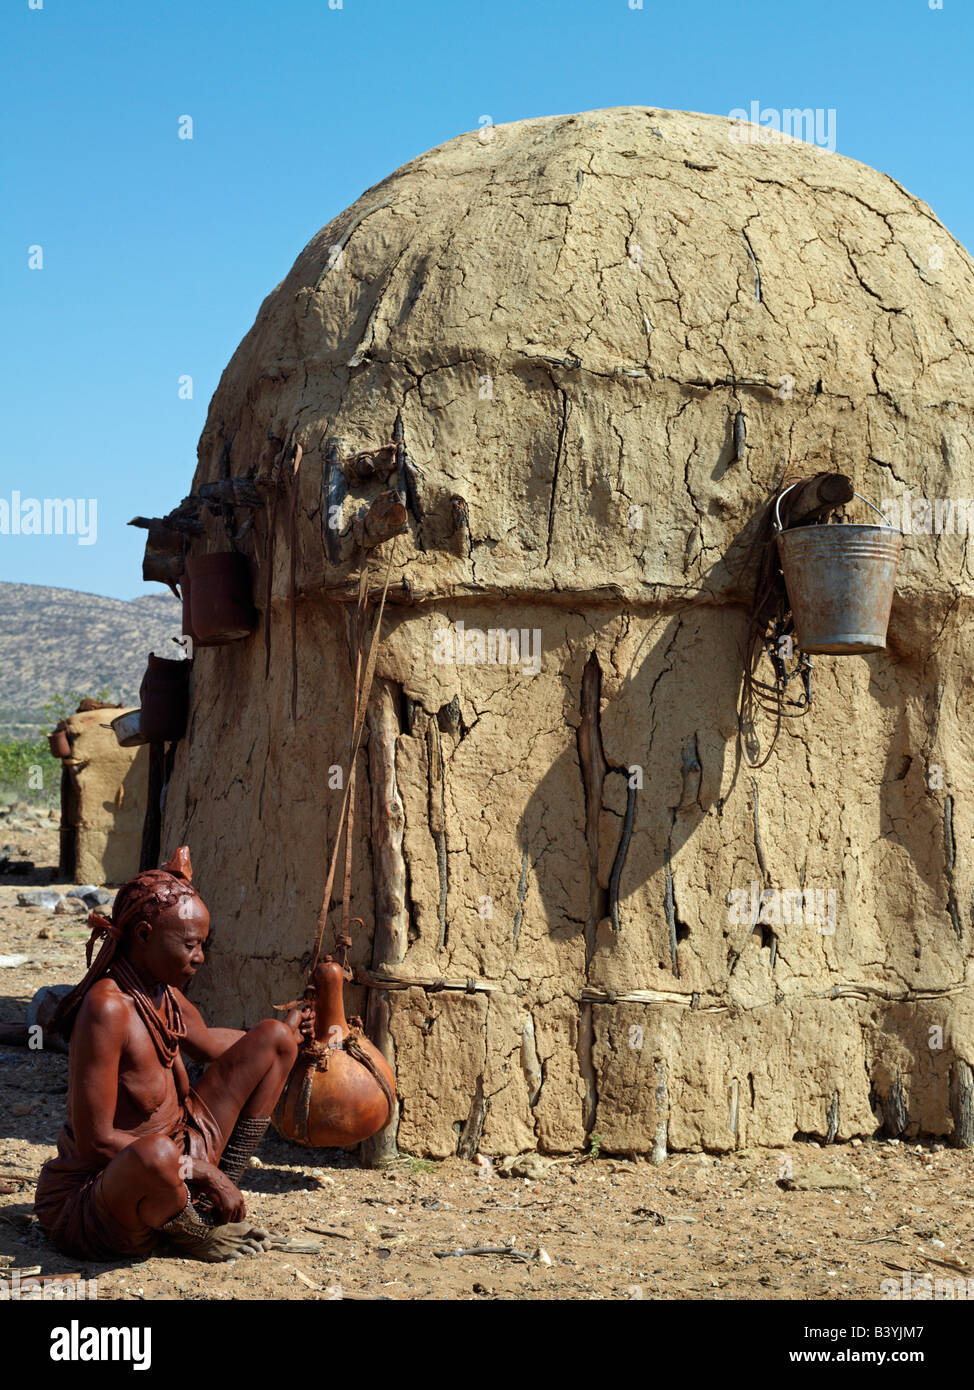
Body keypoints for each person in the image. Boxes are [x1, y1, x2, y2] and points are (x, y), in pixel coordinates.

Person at [34, 846, 310, 1262]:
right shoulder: (107, 1008)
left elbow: (210, 1043)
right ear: (144, 936)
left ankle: (210, 1205)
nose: (200, 958)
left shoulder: (164, 993)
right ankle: (194, 1233)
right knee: (156, 1153)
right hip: (106, 1192)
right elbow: (95, 1143)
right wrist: (198, 1170)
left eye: (203, 945)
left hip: (177, 1155)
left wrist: (287, 1032)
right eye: (190, 945)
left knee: (272, 1039)